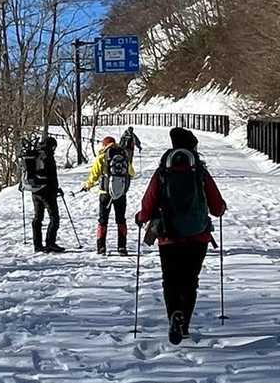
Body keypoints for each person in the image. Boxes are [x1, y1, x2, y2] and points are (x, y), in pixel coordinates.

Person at [135, 127, 227, 345]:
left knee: (170, 280)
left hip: (168, 236)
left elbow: (148, 202)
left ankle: (174, 315)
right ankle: (184, 325)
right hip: (198, 236)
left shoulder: (163, 172)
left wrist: (141, 217)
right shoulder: (199, 172)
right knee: (190, 281)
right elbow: (216, 207)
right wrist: (221, 208)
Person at [81, 136, 134, 255]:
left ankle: (101, 247)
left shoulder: (102, 156)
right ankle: (122, 247)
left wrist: (87, 185)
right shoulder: (124, 155)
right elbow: (132, 172)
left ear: (105, 145)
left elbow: (94, 175)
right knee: (121, 219)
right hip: (120, 193)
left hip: (105, 193)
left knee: (103, 219)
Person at [31, 134, 65, 254]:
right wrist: (56, 189)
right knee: (54, 218)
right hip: (47, 192)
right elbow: (51, 176)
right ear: (52, 146)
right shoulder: (48, 155)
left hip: (35, 190)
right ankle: (50, 243)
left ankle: (37, 245)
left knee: (38, 218)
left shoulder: (35, 153)